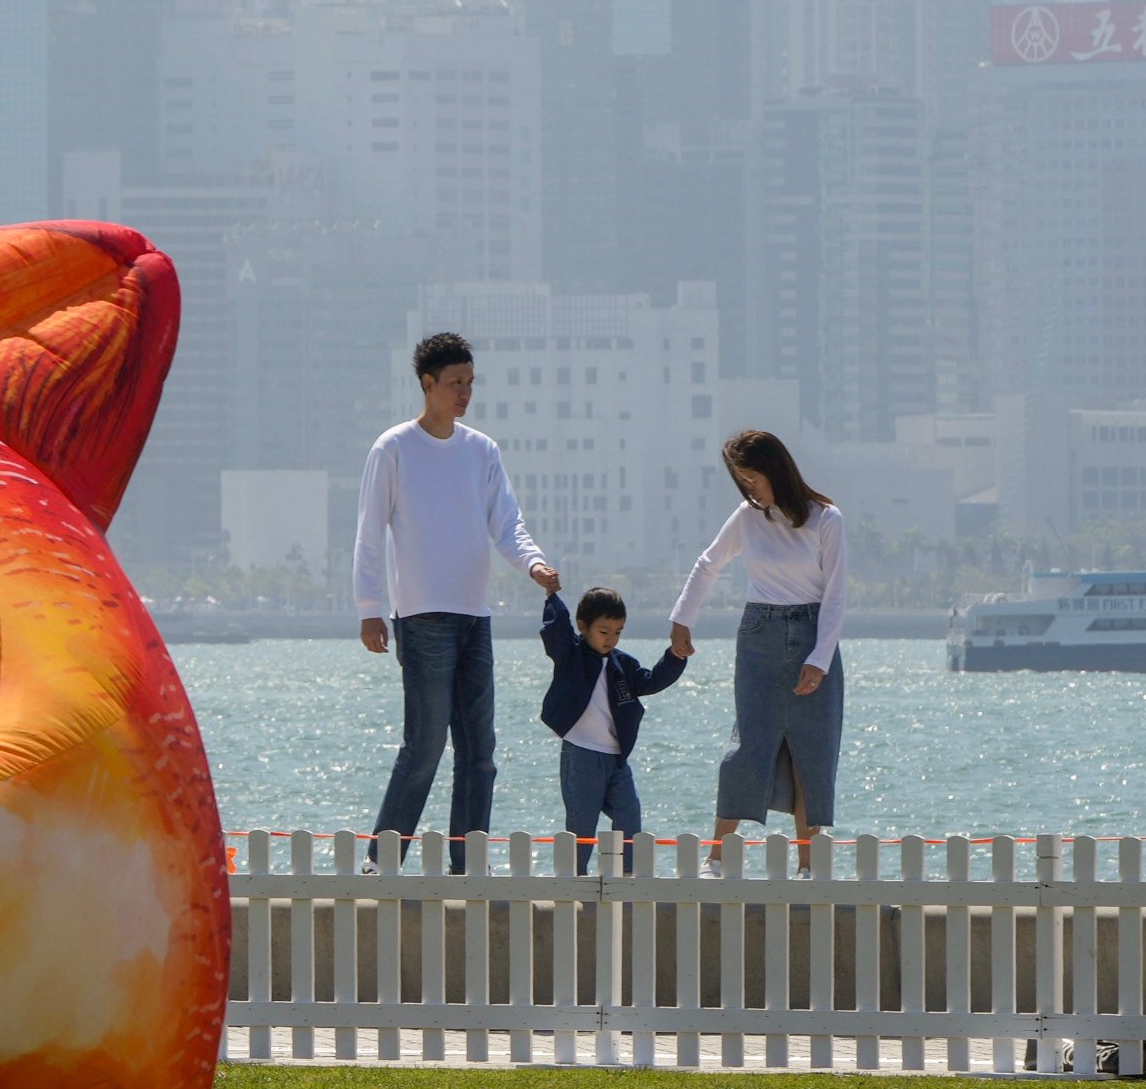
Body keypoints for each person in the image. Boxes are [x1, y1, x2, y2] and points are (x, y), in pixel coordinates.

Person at [353, 331, 559, 864]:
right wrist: (369, 609)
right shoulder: (393, 447)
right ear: (428, 384)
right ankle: (382, 860)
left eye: (470, 382)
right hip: (422, 618)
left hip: (475, 617)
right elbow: (369, 531)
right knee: (424, 747)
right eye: (455, 383)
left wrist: (533, 563)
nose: (465, 392)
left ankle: (468, 863)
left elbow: (507, 523)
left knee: (481, 752)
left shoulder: (481, 449)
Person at [665, 428, 847, 870]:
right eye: (741, 480)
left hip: (812, 636)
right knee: (748, 746)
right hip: (759, 636)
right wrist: (681, 620)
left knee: (812, 751)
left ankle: (809, 865)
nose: (749, 488)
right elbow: (708, 563)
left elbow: (836, 595)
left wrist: (819, 660)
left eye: (753, 478)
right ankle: (716, 859)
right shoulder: (748, 517)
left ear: (775, 470)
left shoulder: (826, 519)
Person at [537, 582, 686, 871]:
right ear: (583, 626)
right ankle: (573, 884)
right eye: (604, 632)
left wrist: (675, 657)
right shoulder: (571, 654)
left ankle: (629, 878)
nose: (611, 639)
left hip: (616, 758)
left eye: (618, 632)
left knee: (629, 816)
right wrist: (552, 597)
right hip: (580, 755)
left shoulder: (623, 664)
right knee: (582, 826)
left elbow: (652, 681)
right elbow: (556, 631)